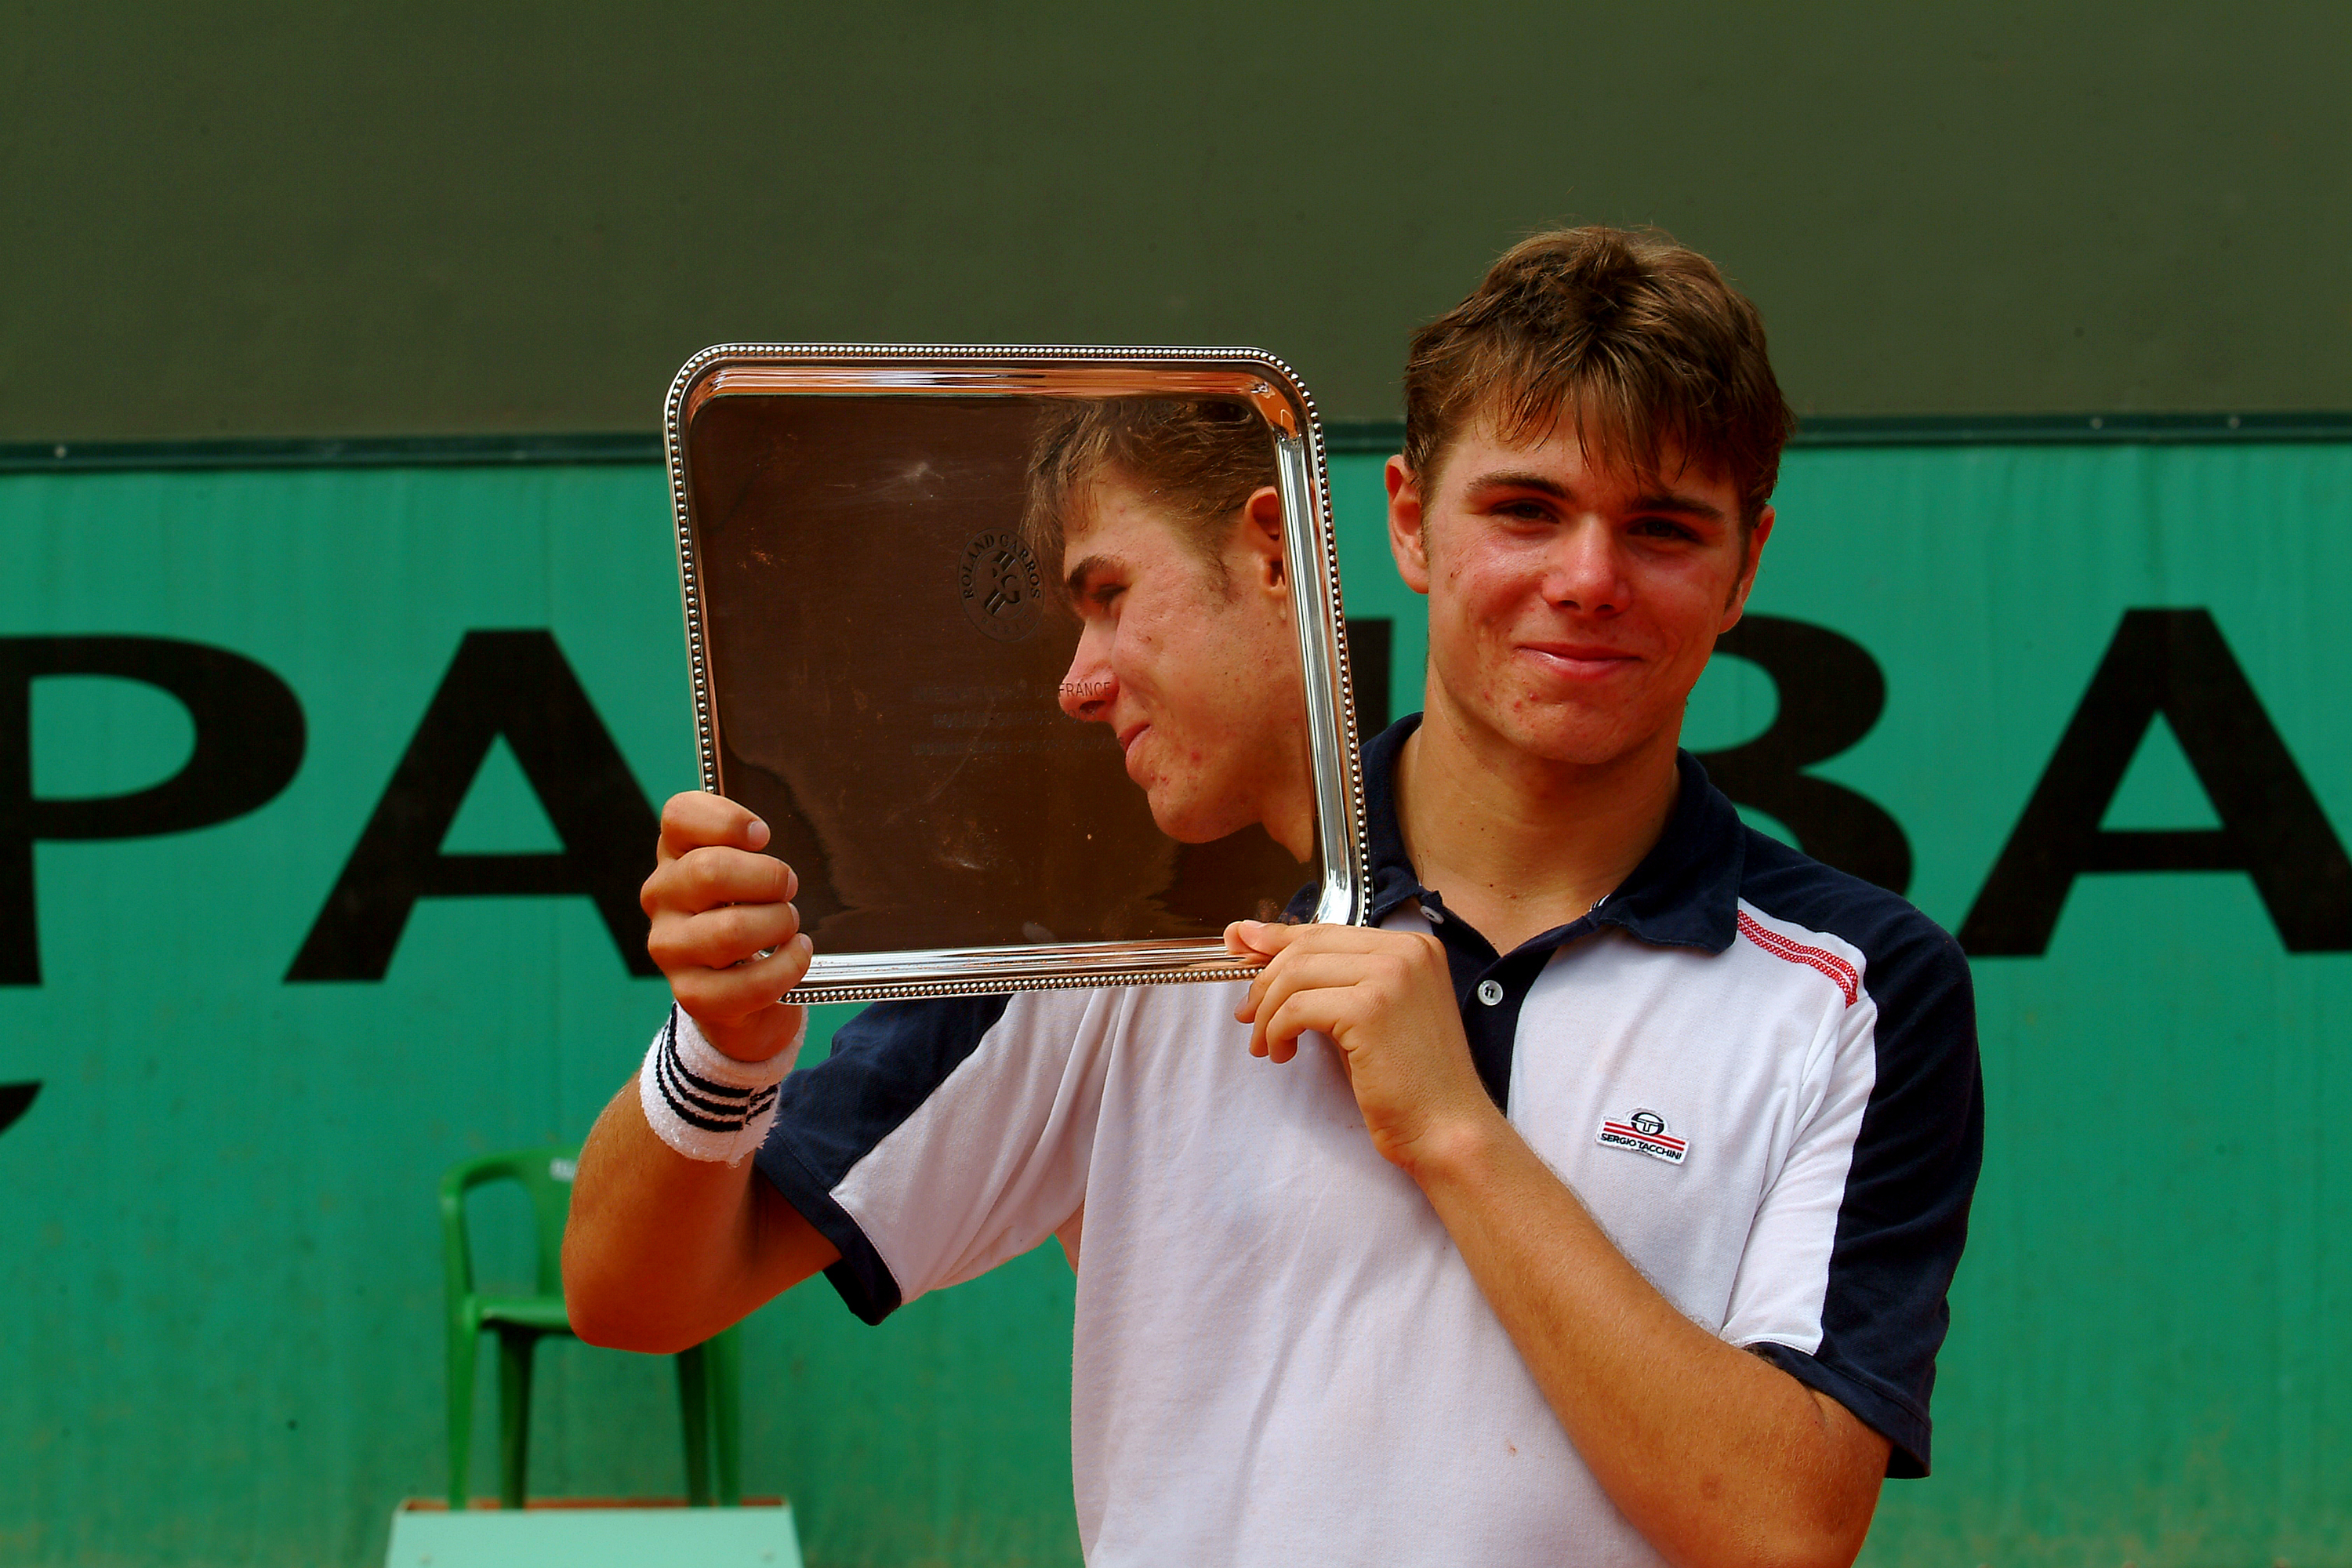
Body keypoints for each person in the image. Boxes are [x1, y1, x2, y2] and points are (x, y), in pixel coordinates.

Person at [564, 227, 1982, 1568]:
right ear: (1412, 525)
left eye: (1664, 529)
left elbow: (1786, 1526)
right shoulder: (1130, 923)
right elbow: (635, 1296)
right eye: (1527, 510)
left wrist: (1453, 1134)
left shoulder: (1858, 988)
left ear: (1747, 567)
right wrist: (723, 1053)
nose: (1589, 579)